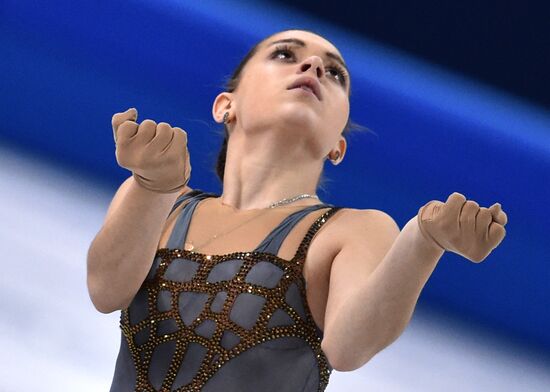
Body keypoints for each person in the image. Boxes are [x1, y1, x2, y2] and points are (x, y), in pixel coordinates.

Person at [87, 29, 508, 391]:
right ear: (225, 106)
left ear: (337, 146)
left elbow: (348, 347)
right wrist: (151, 186)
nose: (313, 68)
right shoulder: (162, 201)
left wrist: (423, 241)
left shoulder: (351, 230)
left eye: (335, 73)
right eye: (285, 55)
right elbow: (106, 290)